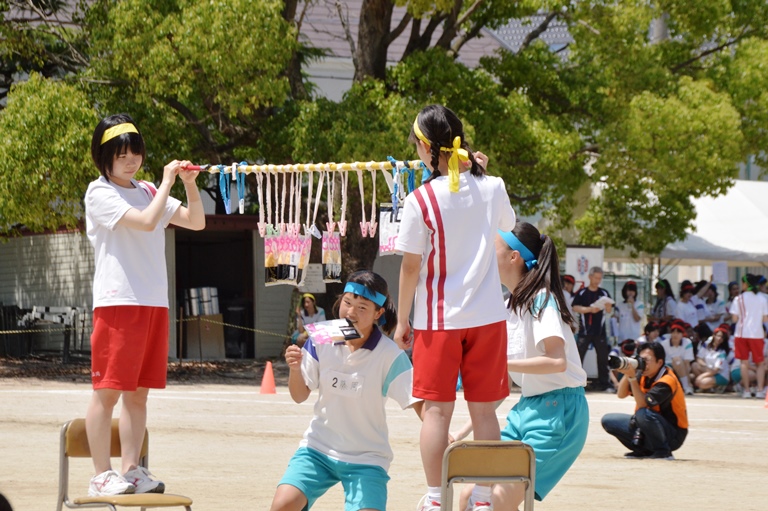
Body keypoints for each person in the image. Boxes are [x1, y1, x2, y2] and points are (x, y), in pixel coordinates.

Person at [393, 104, 516, 511]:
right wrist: (479, 170)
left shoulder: (420, 200)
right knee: (484, 413)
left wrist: (401, 319)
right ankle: (482, 497)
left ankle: (434, 499)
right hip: (487, 316)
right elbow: (507, 225)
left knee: (437, 414)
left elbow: (411, 266)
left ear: (427, 147)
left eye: (417, 145)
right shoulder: (493, 186)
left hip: (437, 319)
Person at [84, 114, 205, 496]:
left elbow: (196, 222)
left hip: (154, 302)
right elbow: (145, 222)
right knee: (108, 391)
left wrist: (188, 186)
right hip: (118, 301)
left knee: (138, 393)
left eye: (135, 153)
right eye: (121, 155)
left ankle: (132, 469)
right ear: (104, 157)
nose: (131, 161)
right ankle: (102, 473)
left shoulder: (149, 188)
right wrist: (168, 182)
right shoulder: (98, 192)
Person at [453, 223, 588, 511]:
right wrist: (462, 432)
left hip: (560, 413)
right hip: (526, 410)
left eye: (494, 248)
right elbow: (505, 380)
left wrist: (498, 362)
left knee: (498, 501)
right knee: (469, 496)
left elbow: (556, 361)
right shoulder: (506, 306)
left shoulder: (542, 299)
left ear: (514, 256)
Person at [270, 270, 421, 511]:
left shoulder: (389, 354)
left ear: (378, 313)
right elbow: (299, 396)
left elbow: (417, 400)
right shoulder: (321, 337)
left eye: (362, 307)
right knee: (283, 505)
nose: (350, 312)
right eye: (347, 303)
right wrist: (295, 369)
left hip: (367, 458)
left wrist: (441, 432)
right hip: (317, 449)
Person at [601, 341, 688, 460]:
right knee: (608, 421)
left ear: (659, 362)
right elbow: (621, 395)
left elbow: (643, 404)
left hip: (673, 434)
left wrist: (632, 377)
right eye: (640, 359)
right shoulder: (643, 374)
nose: (642, 363)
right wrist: (628, 373)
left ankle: (663, 451)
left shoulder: (667, 380)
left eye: (646, 360)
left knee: (643, 413)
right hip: (647, 427)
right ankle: (643, 450)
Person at [572, 266, 613, 391]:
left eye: (600, 278)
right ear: (590, 277)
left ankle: (604, 384)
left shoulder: (604, 293)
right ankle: (575, 382)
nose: (598, 280)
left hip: (599, 331)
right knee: (578, 357)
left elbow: (610, 310)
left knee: (602, 357)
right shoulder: (582, 292)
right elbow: (575, 307)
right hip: (585, 331)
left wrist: (607, 306)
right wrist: (590, 309)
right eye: (596, 278)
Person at [729, 274, 768, 399]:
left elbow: (734, 319)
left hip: (741, 333)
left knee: (744, 363)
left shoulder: (738, 299)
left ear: (746, 284)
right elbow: (765, 318)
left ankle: (746, 390)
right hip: (757, 334)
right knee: (760, 363)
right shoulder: (762, 298)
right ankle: (760, 390)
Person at [659, 321, 695, 395]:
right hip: (667, 367)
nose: (675, 335)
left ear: (682, 334)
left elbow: (687, 363)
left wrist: (689, 381)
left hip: (682, 368)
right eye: (673, 332)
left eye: (678, 333)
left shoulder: (687, 342)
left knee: (677, 361)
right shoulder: (664, 344)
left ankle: (686, 386)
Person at [692, 325, 730, 392]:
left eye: (722, 337)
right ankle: (709, 388)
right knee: (694, 365)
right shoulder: (707, 345)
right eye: (718, 336)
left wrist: (701, 377)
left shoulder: (722, 352)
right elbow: (699, 358)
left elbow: (715, 370)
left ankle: (715, 385)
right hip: (708, 369)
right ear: (714, 336)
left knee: (701, 382)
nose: (719, 338)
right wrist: (705, 366)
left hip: (720, 374)